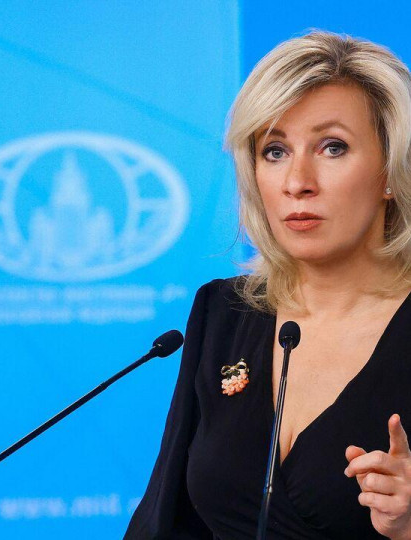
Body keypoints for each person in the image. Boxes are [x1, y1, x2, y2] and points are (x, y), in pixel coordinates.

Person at [124, 31, 411, 539]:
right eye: (274, 151)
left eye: (333, 147)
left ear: (392, 168)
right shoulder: (226, 311)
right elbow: (170, 520)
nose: (297, 181)